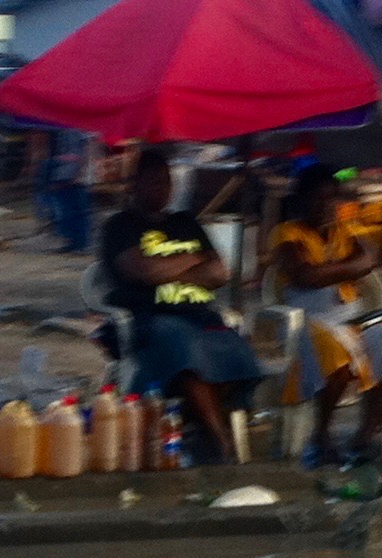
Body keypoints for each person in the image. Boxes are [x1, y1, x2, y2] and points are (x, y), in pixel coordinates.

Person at [99, 147, 261, 462]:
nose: (163, 189)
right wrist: (192, 259)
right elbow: (143, 272)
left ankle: (199, 426)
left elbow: (219, 273)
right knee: (187, 351)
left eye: (167, 182)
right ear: (135, 184)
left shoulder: (185, 222)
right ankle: (220, 442)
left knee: (236, 349)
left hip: (199, 315)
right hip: (151, 318)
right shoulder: (120, 226)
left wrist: (169, 268)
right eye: (155, 181)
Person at [269, 165, 382, 463]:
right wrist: (350, 269)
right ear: (302, 200)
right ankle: (321, 436)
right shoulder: (287, 233)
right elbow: (303, 276)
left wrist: (330, 271)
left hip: (352, 320)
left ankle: (364, 434)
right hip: (305, 323)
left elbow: (371, 259)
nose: (327, 206)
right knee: (335, 353)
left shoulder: (346, 230)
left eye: (332, 199)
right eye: (319, 199)